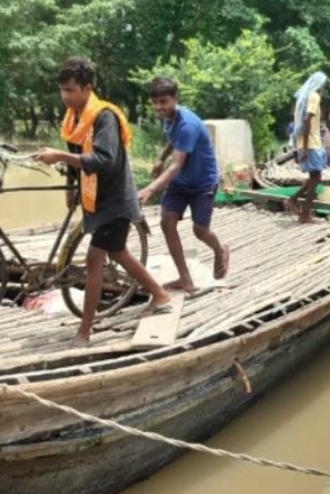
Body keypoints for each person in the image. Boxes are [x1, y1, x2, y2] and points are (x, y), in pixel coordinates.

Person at [35, 57, 172, 347]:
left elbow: (104, 160)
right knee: (119, 252)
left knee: (95, 258)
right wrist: (71, 187)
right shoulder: (73, 118)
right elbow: (77, 163)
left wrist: (59, 155)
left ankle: (85, 331)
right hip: (96, 196)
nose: (65, 96)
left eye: (71, 90)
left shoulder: (103, 116)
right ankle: (159, 294)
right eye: (62, 91)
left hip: (116, 198)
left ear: (87, 88)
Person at [138, 76, 230, 294]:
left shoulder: (187, 124)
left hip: (202, 181)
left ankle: (220, 249)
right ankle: (185, 278)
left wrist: (150, 188)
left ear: (175, 99)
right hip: (181, 183)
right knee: (167, 222)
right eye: (156, 103)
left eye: (164, 102)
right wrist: (161, 158)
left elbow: (176, 165)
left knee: (200, 230)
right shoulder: (168, 118)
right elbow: (173, 139)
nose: (159, 108)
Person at [286, 72, 330, 224]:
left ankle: (293, 201)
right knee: (316, 178)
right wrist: (305, 148)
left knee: (315, 178)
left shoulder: (302, 98)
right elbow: (306, 121)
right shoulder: (314, 96)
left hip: (307, 142)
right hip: (311, 142)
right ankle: (304, 214)